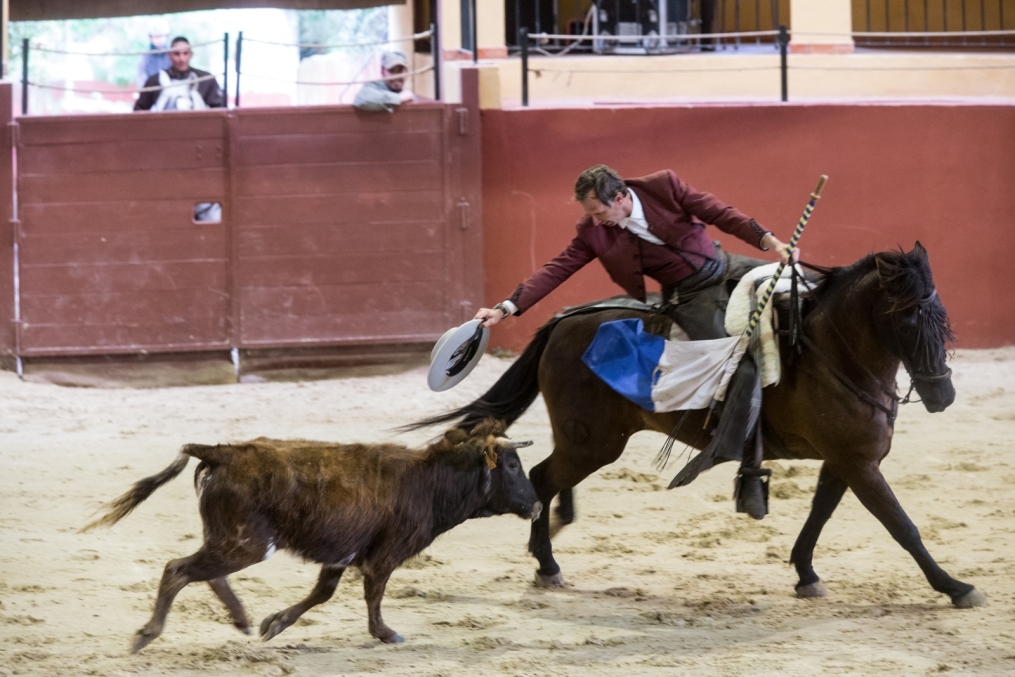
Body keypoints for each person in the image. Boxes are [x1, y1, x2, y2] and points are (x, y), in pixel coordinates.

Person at [474, 165, 798, 517]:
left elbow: (719, 212)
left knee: (806, 289)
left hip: (728, 268)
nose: (596, 221)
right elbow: (557, 269)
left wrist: (770, 241)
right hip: (691, 299)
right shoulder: (593, 231)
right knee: (738, 364)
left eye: (599, 212)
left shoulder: (664, 186)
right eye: (590, 214)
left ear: (620, 198)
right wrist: (505, 308)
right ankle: (750, 471)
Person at [134, 36, 225, 111]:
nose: (182, 59)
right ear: (169, 55)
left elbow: (219, 110)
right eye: (177, 54)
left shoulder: (205, 79)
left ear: (191, 54)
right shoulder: (154, 81)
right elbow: (139, 111)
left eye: (185, 53)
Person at [136, 18, 171, 89]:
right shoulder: (145, 57)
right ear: (151, 37)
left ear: (166, 36)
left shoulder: (172, 53)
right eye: (156, 36)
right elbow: (141, 79)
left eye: (161, 36)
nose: (159, 39)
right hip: (151, 91)